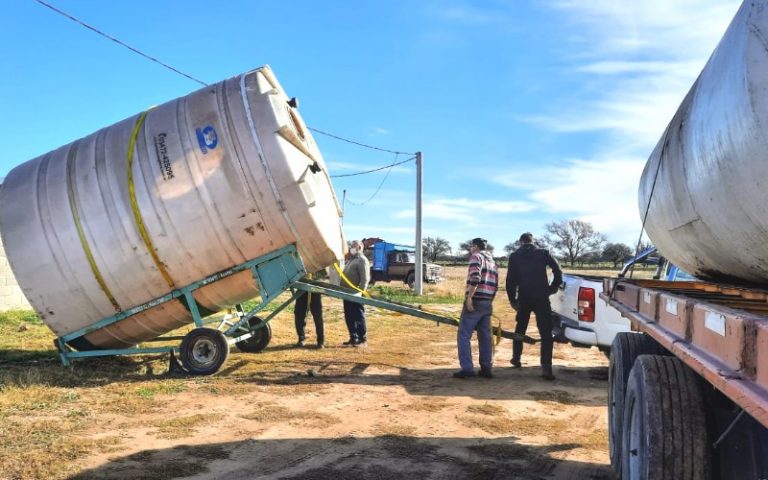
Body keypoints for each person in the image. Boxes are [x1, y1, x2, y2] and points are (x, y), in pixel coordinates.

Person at [506, 232, 563, 380]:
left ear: (520, 242)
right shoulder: (543, 253)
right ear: (533, 241)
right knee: (545, 332)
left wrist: (513, 299)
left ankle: (516, 357)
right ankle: (546, 367)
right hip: (541, 297)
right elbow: (558, 270)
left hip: (524, 297)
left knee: (520, 328)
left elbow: (510, 280)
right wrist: (553, 287)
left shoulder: (515, 256)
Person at [454, 237, 499, 379]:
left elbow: (475, 278)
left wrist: (469, 299)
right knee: (485, 336)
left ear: (475, 246)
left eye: (471, 247)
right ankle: (486, 368)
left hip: (476, 300)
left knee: (464, 335)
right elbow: (496, 285)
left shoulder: (476, 257)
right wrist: (490, 301)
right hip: (487, 302)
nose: (471, 249)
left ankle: (467, 369)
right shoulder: (493, 262)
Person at [342, 240, 370, 347]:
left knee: (358, 315)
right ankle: (353, 338)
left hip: (356, 294)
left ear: (359, 247)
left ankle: (362, 339)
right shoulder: (351, 260)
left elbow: (365, 279)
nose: (351, 248)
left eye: (354, 246)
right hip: (347, 293)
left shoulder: (362, 260)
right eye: (351, 246)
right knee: (349, 315)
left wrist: (360, 293)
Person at [294, 272, 324, 349]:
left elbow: (323, 273)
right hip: (302, 288)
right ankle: (301, 338)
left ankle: (320, 341)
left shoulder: (317, 261)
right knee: (299, 314)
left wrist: (315, 276)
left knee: (318, 316)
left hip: (315, 289)